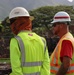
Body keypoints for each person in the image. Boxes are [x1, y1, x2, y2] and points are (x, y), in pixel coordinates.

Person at [9, 7, 50, 75]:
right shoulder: (42, 40)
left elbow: (16, 71)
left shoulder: (16, 41)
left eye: (11, 23)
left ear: (16, 24)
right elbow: (46, 65)